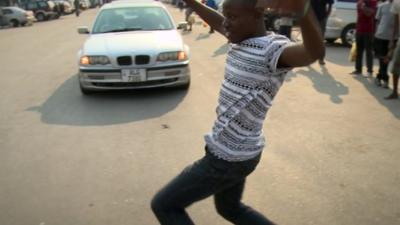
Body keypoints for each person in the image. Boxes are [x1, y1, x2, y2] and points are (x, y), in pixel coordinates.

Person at [150, 0, 325, 224]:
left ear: (257, 15)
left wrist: (304, 12)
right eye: (226, 17)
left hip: (227, 158)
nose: (226, 24)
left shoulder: (271, 50)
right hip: (243, 152)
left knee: (165, 205)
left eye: (232, 17)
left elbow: (313, 52)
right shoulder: (241, 37)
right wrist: (191, 2)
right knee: (230, 208)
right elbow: (216, 19)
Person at [350, 0, 377, 76]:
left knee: (369, 52)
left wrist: (363, 7)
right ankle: (358, 69)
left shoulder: (372, 1)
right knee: (359, 51)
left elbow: (370, 14)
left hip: (368, 30)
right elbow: (359, 15)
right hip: (359, 30)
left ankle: (369, 71)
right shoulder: (359, 1)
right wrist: (356, 28)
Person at [374, 0, 397, 88]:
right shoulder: (382, 6)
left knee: (387, 59)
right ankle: (383, 78)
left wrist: (394, 38)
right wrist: (376, 34)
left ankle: (381, 77)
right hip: (380, 36)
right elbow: (377, 21)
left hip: (392, 38)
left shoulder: (397, 7)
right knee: (382, 58)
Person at [310, 0, 333, 65]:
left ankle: (321, 58)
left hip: (322, 18)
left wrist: (326, 16)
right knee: (309, 38)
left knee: (320, 39)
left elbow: (330, 4)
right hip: (311, 17)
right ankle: (308, 57)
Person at [385, 0, 400, 99]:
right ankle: (394, 92)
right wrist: (392, 40)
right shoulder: (397, 3)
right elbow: (396, 24)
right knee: (396, 67)